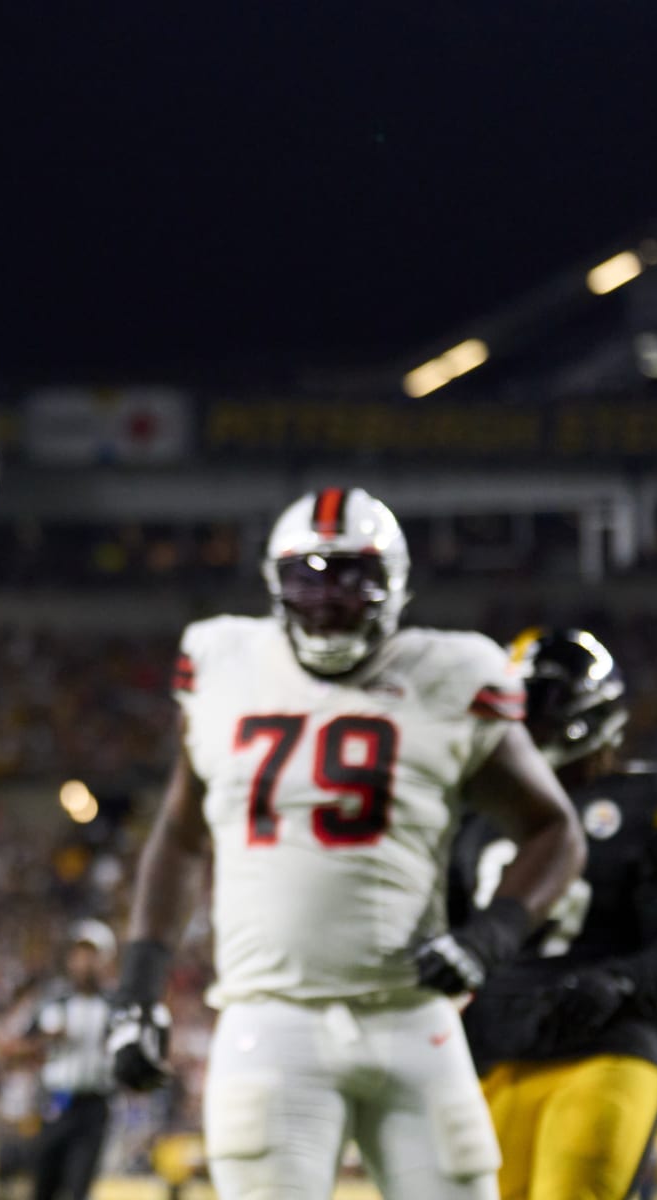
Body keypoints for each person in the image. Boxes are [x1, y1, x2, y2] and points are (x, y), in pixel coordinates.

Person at [108, 487, 585, 1200]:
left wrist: (490, 937)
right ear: (275, 583)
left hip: (411, 1012)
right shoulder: (223, 660)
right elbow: (179, 835)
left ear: (393, 586)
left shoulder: (453, 673)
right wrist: (139, 989)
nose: (327, 599)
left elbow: (555, 831)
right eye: (309, 575)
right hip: (271, 1017)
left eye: (351, 576)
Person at [452, 628, 657, 1200]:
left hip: (604, 1043)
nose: (520, 722)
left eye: (535, 705)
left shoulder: (647, 802)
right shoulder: (472, 815)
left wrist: (615, 982)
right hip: (498, 1049)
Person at [12, 921, 119, 1200]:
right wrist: (44, 1042)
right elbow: (11, 1046)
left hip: (95, 1105)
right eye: (79, 953)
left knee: (78, 1188)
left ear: (106, 960)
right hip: (56, 1104)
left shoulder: (115, 1006)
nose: (85, 962)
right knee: (43, 1185)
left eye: (92, 954)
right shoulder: (51, 1001)